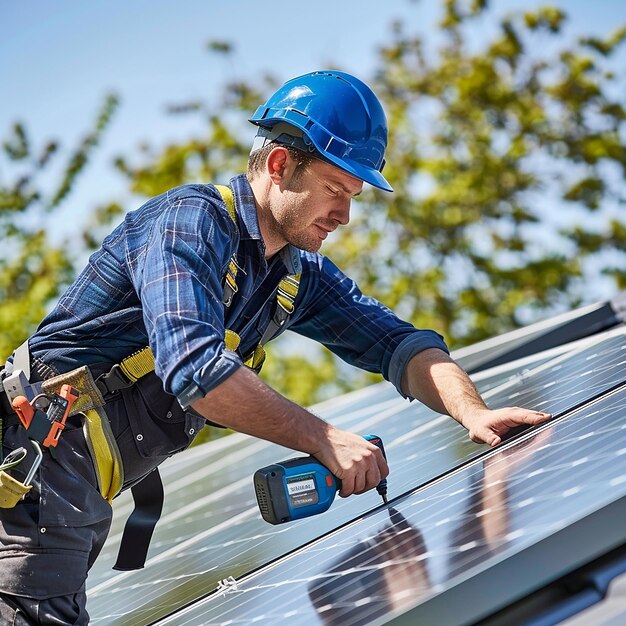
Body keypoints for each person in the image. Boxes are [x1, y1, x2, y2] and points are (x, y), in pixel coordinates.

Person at [0, 69, 550, 624]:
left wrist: (473, 412)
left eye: (354, 196)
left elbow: (399, 345)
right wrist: (325, 439)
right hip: (33, 465)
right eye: (336, 190)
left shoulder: (293, 274)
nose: (345, 215)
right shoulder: (188, 224)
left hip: (68, 489)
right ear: (280, 165)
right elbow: (195, 370)